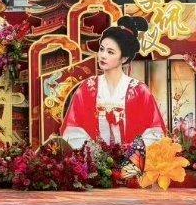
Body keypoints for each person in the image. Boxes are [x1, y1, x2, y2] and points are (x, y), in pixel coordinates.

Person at [60, 16, 165, 150]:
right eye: (101, 49)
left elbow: (154, 131)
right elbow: (73, 128)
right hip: (94, 159)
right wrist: (95, 153)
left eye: (110, 52)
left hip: (132, 160)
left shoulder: (139, 90)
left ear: (124, 58)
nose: (103, 55)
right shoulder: (88, 87)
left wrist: (131, 152)